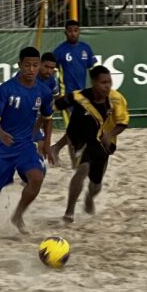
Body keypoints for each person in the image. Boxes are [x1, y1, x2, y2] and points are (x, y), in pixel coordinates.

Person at [0, 47, 54, 238]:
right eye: (27, 65)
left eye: (35, 65)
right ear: (19, 65)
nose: (31, 69)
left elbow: (48, 117)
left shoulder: (43, 91)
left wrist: (47, 144)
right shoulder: (6, 89)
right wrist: (0, 133)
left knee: (37, 178)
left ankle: (17, 216)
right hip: (1, 148)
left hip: (25, 146)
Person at [54, 65, 129, 223]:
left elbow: (123, 122)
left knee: (96, 184)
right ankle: (69, 212)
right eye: (103, 82)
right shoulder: (78, 97)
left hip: (102, 143)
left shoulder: (116, 98)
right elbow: (53, 107)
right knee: (83, 169)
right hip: (79, 140)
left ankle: (89, 198)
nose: (107, 86)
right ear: (94, 82)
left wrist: (110, 135)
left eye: (109, 82)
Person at [0, 51, 59, 169]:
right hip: (19, 118)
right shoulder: (26, 77)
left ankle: (31, 173)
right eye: (46, 67)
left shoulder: (52, 81)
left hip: (36, 118)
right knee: (9, 147)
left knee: (40, 144)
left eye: (52, 68)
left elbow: (52, 101)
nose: (48, 70)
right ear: (40, 64)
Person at [51, 20, 97, 165]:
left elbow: (93, 71)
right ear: (65, 32)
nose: (73, 33)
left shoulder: (86, 49)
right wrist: (57, 93)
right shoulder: (59, 51)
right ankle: (75, 164)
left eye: (76, 30)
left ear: (79, 31)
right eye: (70, 30)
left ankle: (56, 148)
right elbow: (51, 73)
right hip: (66, 96)